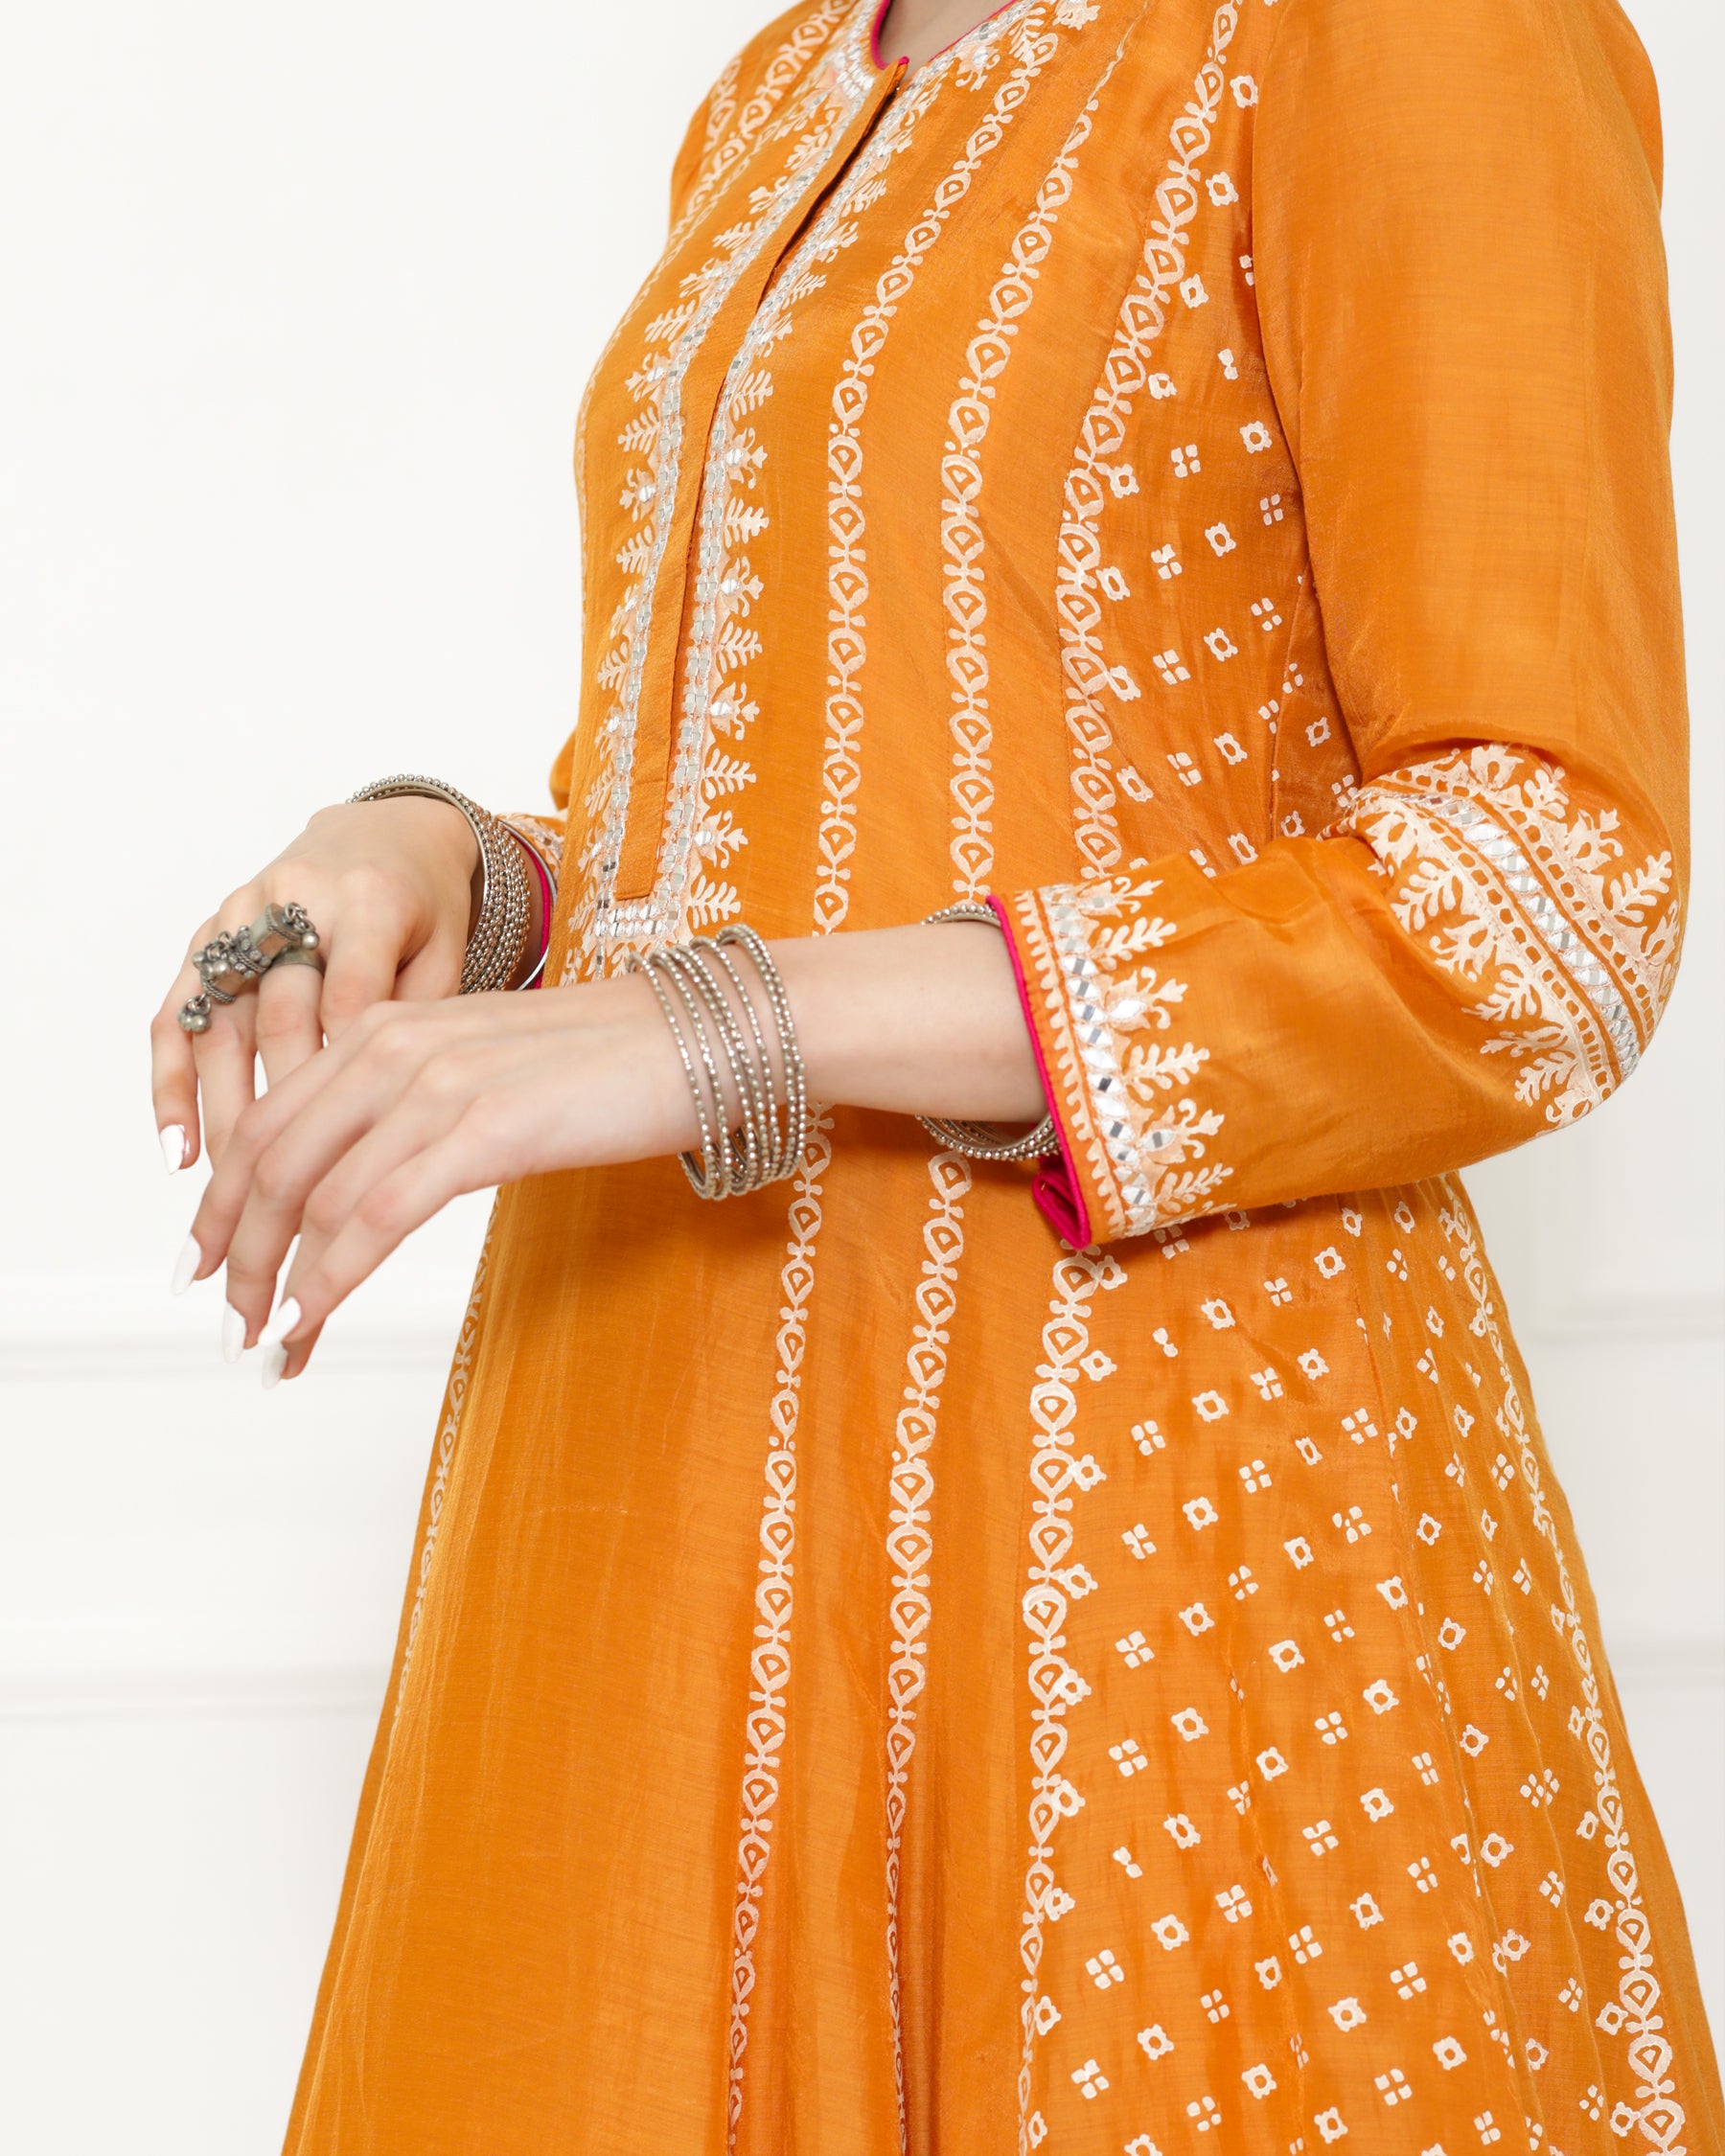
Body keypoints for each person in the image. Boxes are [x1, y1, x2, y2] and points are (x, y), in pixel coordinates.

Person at [150, 0, 1722, 2146]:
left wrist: (722, 1026)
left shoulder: (1395, 36)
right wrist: (448, 869)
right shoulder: (791, 78)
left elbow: (1544, 892)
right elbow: (771, 812)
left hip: (1128, 1516)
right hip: (648, 1483)